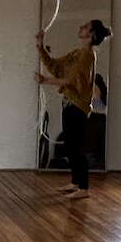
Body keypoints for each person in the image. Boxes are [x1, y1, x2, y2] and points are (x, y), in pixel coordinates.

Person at [36, 19, 110, 197]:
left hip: (78, 107)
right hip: (69, 104)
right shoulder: (78, 53)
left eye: (85, 27)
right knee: (70, 146)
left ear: (91, 35)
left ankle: (83, 188)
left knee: (76, 147)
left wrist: (45, 80)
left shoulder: (87, 55)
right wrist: (40, 46)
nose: (80, 27)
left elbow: (70, 80)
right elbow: (55, 66)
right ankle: (76, 182)